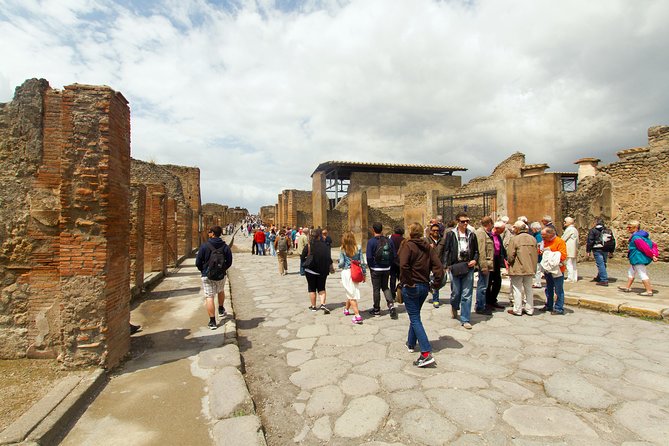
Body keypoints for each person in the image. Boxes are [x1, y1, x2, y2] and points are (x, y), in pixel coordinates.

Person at [399, 222, 444, 367]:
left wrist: (408, 282)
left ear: (410, 232)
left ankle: (425, 353)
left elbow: (403, 265)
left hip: (411, 286)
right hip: (424, 286)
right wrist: (435, 284)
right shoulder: (428, 248)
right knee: (416, 315)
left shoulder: (408, 245)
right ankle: (411, 343)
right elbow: (438, 267)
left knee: (414, 318)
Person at [441, 212, 479, 329]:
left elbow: (476, 251)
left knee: (467, 294)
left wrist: (475, 260)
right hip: (455, 266)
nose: (465, 223)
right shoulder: (451, 234)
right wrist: (445, 265)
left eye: (467, 221)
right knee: (456, 292)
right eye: (463, 221)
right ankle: (454, 305)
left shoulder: (472, 235)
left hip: (468, 265)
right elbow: (446, 250)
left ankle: (465, 319)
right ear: (458, 221)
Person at [195, 226, 233, 330]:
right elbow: (229, 262)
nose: (208, 234)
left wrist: (203, 270)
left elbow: (198, 262)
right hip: (221, 274)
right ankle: (221, 309)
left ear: (212, 233)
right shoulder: (225, 246)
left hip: (207, 275)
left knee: (209, 296)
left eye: (209, 232)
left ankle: (212, 321)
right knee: (220, 291)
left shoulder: (204, 246)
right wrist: (222, 270)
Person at [506, 221, 538, 316]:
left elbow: (511, 255)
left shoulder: (515, 239)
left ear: (517, 229)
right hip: (530, 267)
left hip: (518, 267)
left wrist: (509, 262)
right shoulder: (533, 239)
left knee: (517, 289)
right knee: (528, 288)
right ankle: (529, 309)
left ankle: (517, 309)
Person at [619, 220, 659, 296]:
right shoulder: (641, 236)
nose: (628, 228)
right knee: (631, 272)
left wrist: (652, 255)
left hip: (638, 258)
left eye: (630, 227)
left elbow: (645, 247)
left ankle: (649, 291)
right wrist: (653, 255)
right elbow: (653, 244)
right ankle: (627, 287)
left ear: (635, 228)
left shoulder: (636, 237)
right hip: (635, 257)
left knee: (642, 273)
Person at [366, 222, 397, 319]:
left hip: (376, 268)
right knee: (385, 287)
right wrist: (389, 264)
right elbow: (394, 255)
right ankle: (391, 305)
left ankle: (376, 310)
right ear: (382, 229)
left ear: (373, 230)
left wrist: (371, 266)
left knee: (376, 289)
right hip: (386, 268)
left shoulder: (371, 242)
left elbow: (369, 257)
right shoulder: (389, 240)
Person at [302, 228, 333, 313]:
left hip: (310, 270)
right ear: (319, 236)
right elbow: (328, 258)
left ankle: (313, 306)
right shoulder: (325, 246)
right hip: (322, 270)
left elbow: (302, 256)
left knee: (312, 288)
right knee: (322, 287)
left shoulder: (309, 245)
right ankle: (323, 304)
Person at [339, 231, 366, 324]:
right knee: (351, 291)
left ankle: (357, 315)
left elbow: (341, 263)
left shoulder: (343, 249)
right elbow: (362, 262)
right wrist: (364, 274)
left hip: (347, 272)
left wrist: (339, 266)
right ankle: (346, 309)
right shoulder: (358, 247)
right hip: (356, 271)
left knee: (351, 294)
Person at [539, 226, 567, 315]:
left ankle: (559, 308)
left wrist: (550, 254)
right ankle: (549, 305)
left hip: (557, 269)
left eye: (544, 236)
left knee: (558, 289)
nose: (542, 237)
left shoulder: (560, 241)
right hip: (548, 269)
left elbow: (563, 255)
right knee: (548, 288)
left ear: (550, 234)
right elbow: (541, 252)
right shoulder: (544, 241)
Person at [474, 216, 494, 315]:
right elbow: (481, 250)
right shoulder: (481, 233)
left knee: (484, 286)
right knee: (482, 286)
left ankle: (482, 304)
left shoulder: (485, 233)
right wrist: (484, 266)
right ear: (489, 224)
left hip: (488, 263)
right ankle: (480, 306)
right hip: (484, 264)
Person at [485, 221, 507, 310]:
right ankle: (487, 301)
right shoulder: (488, 235)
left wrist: (505, 257)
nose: (502, 232)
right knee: (489, 281)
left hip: (497, 260)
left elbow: (501, 247)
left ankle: (493, 299)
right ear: (497, 228)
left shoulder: (498, 236)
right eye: (501, 230)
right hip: (490, 260)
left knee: (497, 281)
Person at [424, 223, 444, 308]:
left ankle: (431, 288)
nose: (436, 232)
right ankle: (436, 299)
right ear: (430, 231)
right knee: (434, 280)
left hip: (439, 264)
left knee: (442, 281)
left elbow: (445, 252)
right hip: (429, 264)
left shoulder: (442, 240)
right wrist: (428, 247)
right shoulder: (426, 240)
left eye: (437, 230)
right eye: (434, 230)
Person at [586, 219, 610, 286]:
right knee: (603, 263)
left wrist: (588, 250)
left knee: (600, 264)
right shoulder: (607, 230)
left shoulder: (593, 231)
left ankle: (604, 280)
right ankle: (600, 276)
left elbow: (590, 241)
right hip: (605, 248)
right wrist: (611, 250)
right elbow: (612, 241)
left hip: (597, 249)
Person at [389, 226, 405, 297]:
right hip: (401, 261)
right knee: (402, 277)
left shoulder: (390, 238)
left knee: (392, 277)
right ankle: (401, 292)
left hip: (392, 261)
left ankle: (392, 293)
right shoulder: (404, 240)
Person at [562, 217, 579, 282]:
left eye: (565, 222)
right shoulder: (575, 229)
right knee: (573, 263)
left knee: (569, 263)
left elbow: (563, 238)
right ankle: (574, 277)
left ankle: (570, 277)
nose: (564, 223)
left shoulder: (569, 229)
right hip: (574, 248)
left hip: (569, 248)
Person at [530, 222, 544, 288]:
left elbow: (539, 245)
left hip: (538, 255)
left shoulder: (538, 236)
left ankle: (538, 283)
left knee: (537, 270)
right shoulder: (538, 235)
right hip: (538, 254)